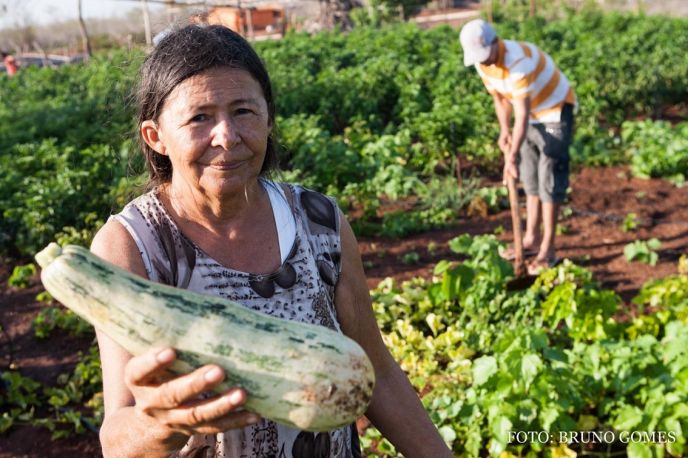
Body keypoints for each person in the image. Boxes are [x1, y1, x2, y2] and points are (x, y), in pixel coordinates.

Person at [91, 24, 453, 458]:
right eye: (199, 117)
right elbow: (117, 437)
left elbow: (377, 371)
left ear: (268, 117)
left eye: (243, 111)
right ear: (156, 137)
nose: (227, 135)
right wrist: (159, 423)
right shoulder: (132, 246)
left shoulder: (319, 222)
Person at [459, 19, 576, 274]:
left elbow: (521, 116)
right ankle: (530, 239)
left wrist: (510, 157)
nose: (483, 61)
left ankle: (548, 249)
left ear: (495, 42)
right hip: (532, 115)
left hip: (554, 111)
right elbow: (501, 100)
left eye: (484, 54)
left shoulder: (518, 62)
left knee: (549, 177)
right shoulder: (484, 64)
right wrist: (504, 130)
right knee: (530, 176)